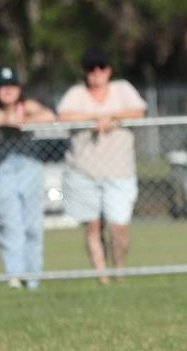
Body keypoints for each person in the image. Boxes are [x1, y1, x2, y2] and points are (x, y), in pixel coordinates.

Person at [56, 47, 147, 282]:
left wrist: (112, 117)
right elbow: (63, 115)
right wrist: (93, 119)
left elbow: (139, 111)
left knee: (119, 228)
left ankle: (118, 271)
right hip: (83, 171)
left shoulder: (123, 89)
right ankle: (101, 276)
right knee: (93, 227)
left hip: (120, 172)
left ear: (109, 70)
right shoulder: (77, 93)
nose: (96, 73)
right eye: (90, 69)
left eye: (100, 68)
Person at [0, 65, 57, 288]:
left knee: (32, 226)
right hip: (1, 170)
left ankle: (34, 278)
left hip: (29, 168)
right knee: (10, 225)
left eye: (11, 86)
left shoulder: (25, 106)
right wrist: (2, 122)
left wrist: (23, 121)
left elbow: (48, 115)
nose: (7, 91)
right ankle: (14, 276)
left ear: (19, 88)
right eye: (2, 87)